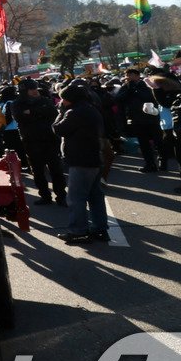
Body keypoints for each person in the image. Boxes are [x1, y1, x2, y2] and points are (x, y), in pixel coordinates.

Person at [53, 85, 109, 245]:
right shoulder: (91, 108)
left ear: (70, 98)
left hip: (81, 159)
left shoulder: (74, 112)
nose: (61, 101)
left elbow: (58, 129)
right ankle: (100, 228)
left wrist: (60, 113)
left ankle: (78, 231)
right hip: (93, 157)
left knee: (76, 197)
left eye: (63, 98)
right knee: (95, 195)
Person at [13, 79, 67, 205]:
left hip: (50, 139)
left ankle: (61, 196)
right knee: (38, 171)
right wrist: (39, 112)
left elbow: (53, 113)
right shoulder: (18, 103)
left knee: (56, 170)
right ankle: (45, 196)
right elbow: (19, 117)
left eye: (35, 89)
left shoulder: (44, 100)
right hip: (31, 141)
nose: (35, 91)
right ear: (25, 90)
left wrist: (31, 112)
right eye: (32, 89)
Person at [115, 68, 163, 172]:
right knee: (143, 144)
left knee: (158, 141)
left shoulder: (146, 85)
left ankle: (162, 162)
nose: (128, 77)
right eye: (127, 75)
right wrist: (129, 90)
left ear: (137, 75)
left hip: (151, 118)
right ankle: (150, 164)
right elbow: (118, 99)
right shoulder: (126, 87)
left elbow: (151, 97)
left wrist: (136, 91)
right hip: (136, 120)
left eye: (131, 75)